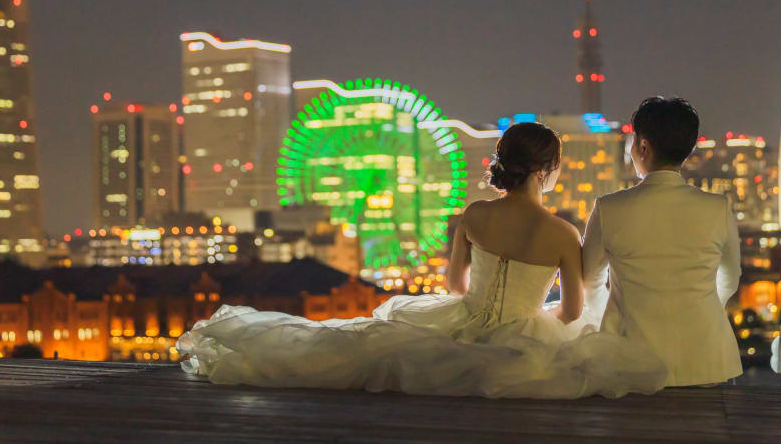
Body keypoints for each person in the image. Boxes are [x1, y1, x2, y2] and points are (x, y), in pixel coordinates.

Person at [178, 122, 667, 398]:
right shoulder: (563, 233)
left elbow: (455, 286)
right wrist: (532, 318)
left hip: (461, 320)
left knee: (352, 348)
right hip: (525, 335)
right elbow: (573, 312)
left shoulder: (474, 215)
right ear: (546, 170)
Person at [582, 97, 743, 387]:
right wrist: (700, 308)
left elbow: (590, 281)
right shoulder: (717, 208)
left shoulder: (608, 208)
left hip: (628, 359)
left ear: (643, 147)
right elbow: (730, 278)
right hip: (706, 359)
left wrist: (612, 318)